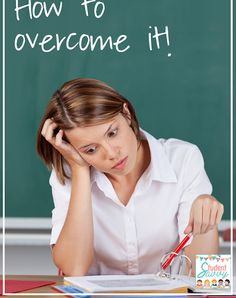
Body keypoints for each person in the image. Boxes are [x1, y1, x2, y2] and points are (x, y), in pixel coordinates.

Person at [37, 78, 224, 277]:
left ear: (126, 114)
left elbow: (207, 279)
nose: (111, 153)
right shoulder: (68, 174)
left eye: (112, 133)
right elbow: (73, 270)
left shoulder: (183, 159)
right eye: (91, 149)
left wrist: (206, 223)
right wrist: (80, 171)